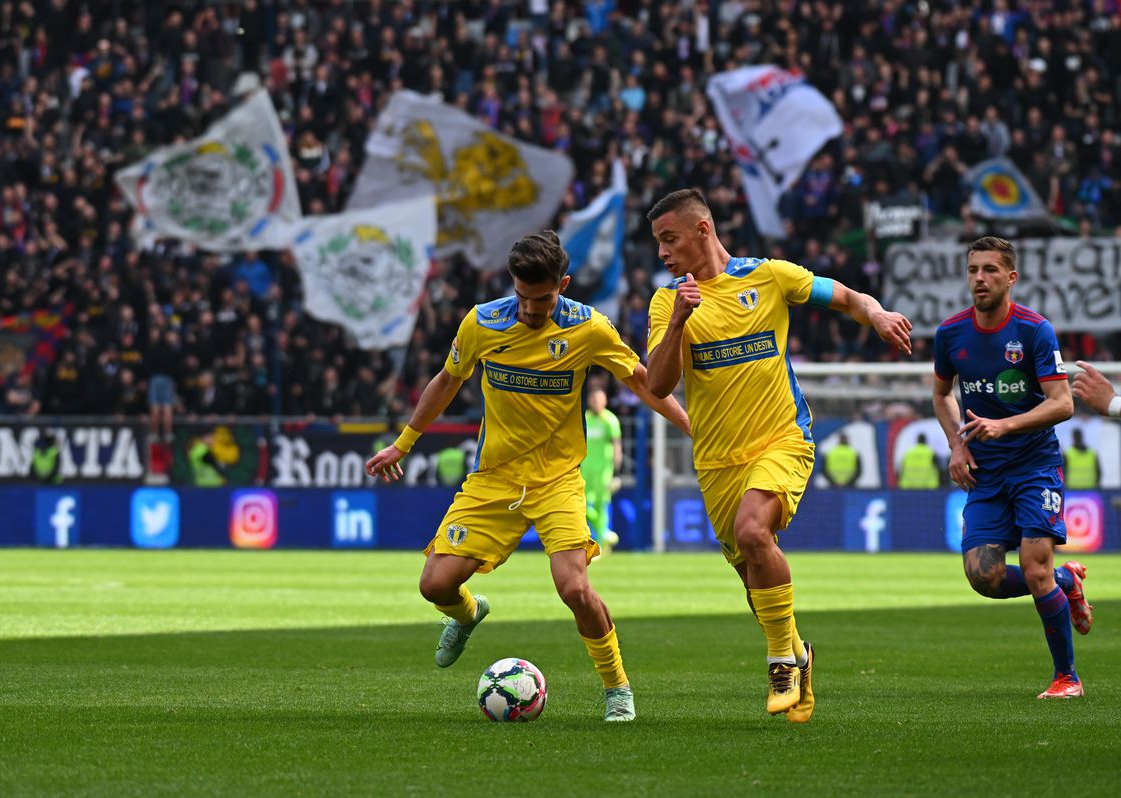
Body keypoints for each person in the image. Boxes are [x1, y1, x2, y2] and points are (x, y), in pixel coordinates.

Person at [366, 231, 690, 723]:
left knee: (574, 588)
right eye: (522, 297)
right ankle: (469, 614)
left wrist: (693, 428)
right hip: (494, 478)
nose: (530, 309)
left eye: (542, 299)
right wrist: (403, 442)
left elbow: (642, 381)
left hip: (556, 480)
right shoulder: (482, 323)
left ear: (563, 285)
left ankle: (617, 688)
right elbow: (448, 380)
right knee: (435, 585)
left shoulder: (589, 328)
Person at [643, 188, 914, 724]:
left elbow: (847, 297)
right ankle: (799, 653)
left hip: (782, 439)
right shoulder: (666, 302)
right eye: (658, 242)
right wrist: (677, 322)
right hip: (717, 459)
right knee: (753, 577)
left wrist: (878, 314)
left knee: (753, 532)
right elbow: (657, 383)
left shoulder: (769, 277)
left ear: (703, 230)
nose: (662, 252)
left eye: (669, 239)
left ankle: (779, 664)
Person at [932, 236, 1092, 700]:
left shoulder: (1034, 330)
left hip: (1034, 466)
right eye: (973, 270)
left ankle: (1067, 678)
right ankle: (1067, 580)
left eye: (990, 270)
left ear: (1011, 277)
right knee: (983, 576)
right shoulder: (951, 333)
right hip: (984, 472)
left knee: (1034, 568)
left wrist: (1004, 426)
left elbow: (1062, 404)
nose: (979, 279)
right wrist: (956, 446)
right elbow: (941, 394)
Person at [582, 386, 623, 552]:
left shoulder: (610, 420)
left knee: (602, 506)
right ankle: (605, 533)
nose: (595, 403)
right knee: (583, 506)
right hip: (585, 470)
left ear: (605, 401)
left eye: (598, 399)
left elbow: (616, 446)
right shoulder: (585, 418)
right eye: (593, 399)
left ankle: (601, 543)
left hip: (603, 471)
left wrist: (617, 472)